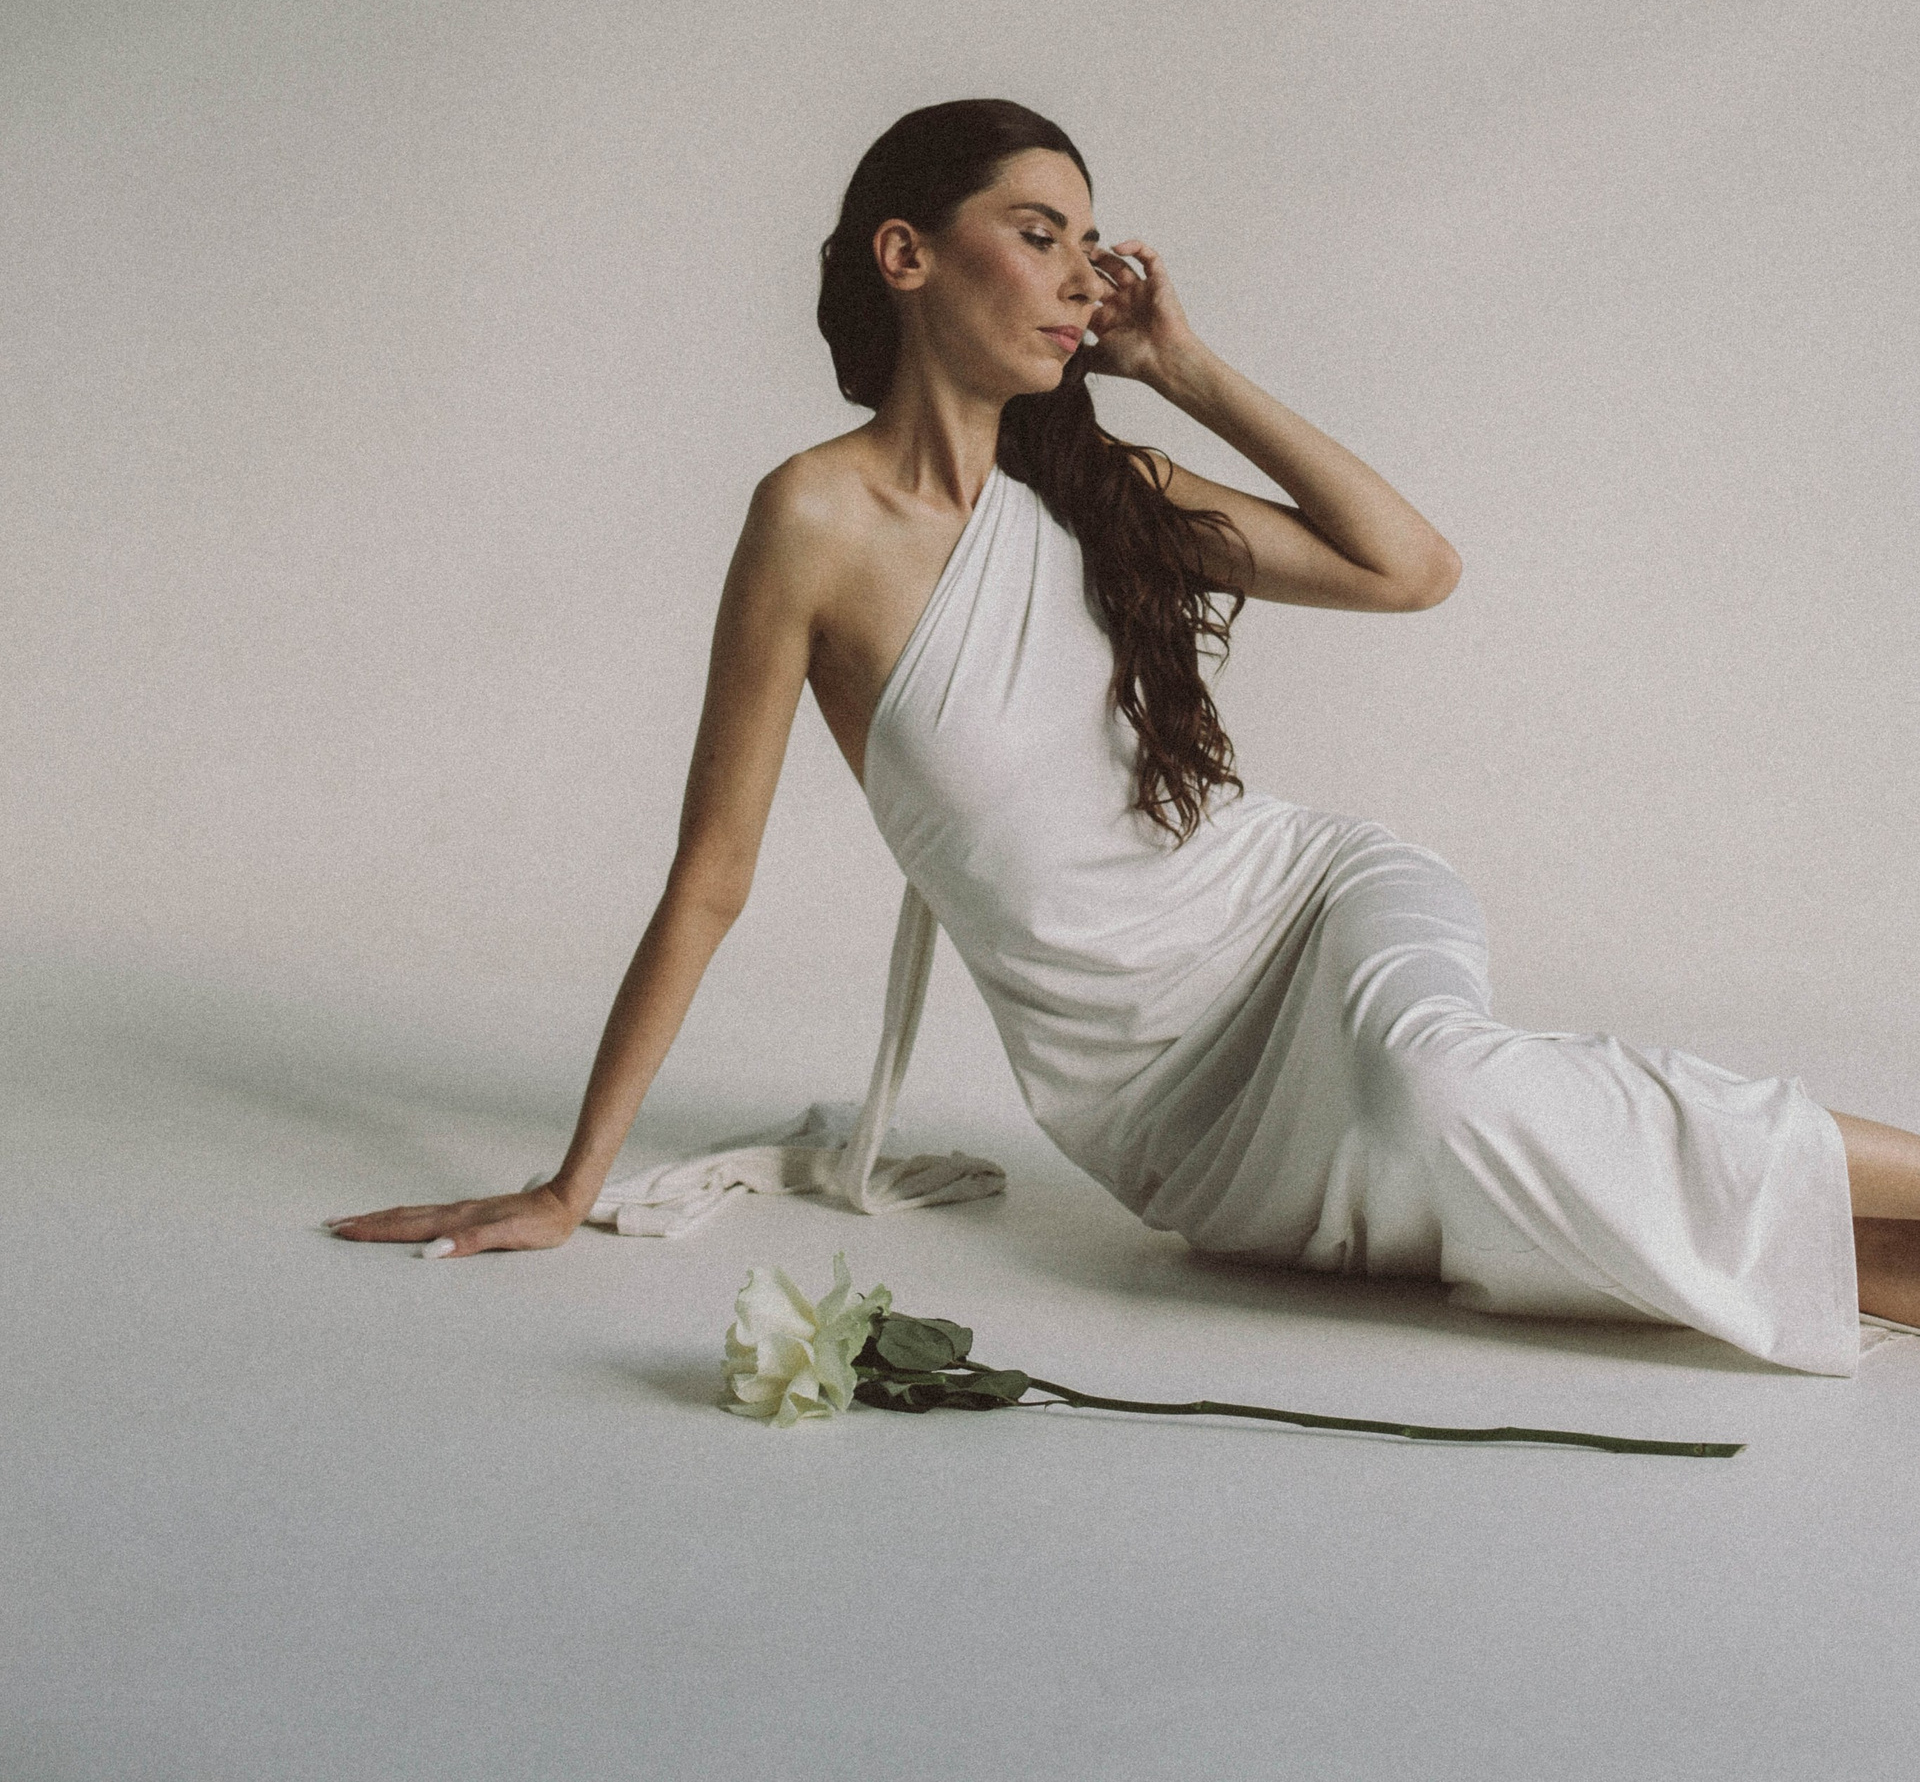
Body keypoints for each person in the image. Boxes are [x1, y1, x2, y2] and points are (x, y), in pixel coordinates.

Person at [330, 98, 1920, 1370]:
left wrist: (1186, 367)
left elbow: (1411, 568)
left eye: (1091, 244)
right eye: (1041, 235)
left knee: (1441, 1092)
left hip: (1306, 913)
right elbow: (713, 873)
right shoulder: (812, 520)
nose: (1085, 275)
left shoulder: (1100, 491)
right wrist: (572, 1184)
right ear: (906, 253)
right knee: (1482, 1192)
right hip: (1165, 1118)